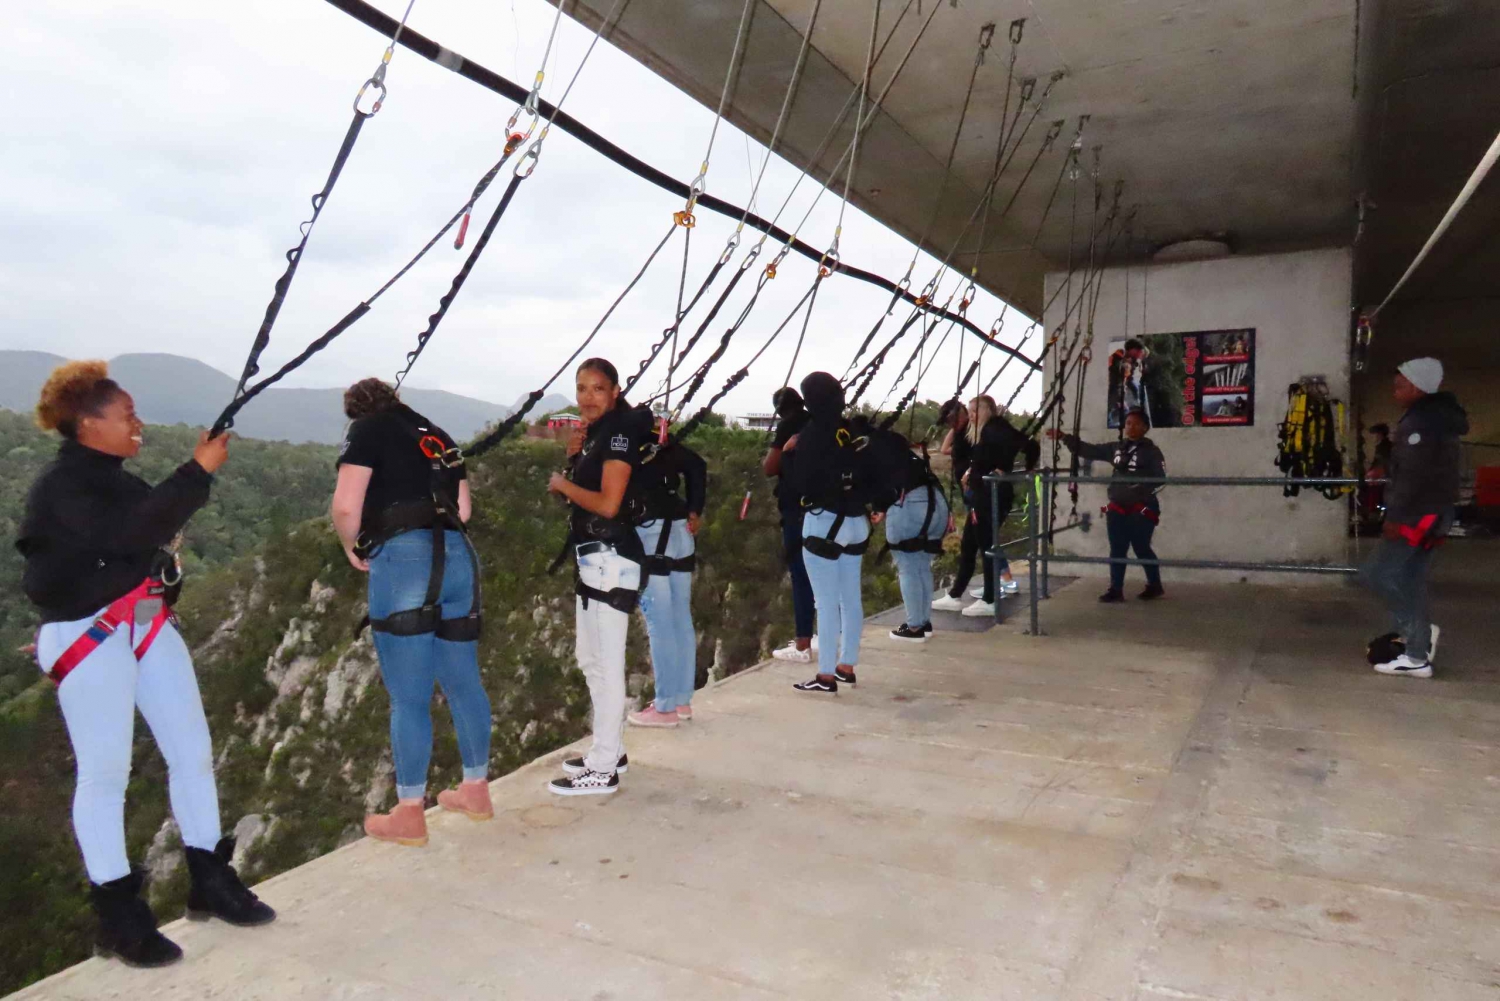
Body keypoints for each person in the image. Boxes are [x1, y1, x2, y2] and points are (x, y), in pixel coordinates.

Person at [17, 361, 275, 969]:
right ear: (88, 425)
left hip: (141, 624)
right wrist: (196, 470)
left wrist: (193, 475)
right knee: (105, 774)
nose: (138, 424)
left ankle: (210, 878)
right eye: (126, 415)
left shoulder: (112, 480)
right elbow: (130, 535)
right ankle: (119, 918)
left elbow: (148, 520)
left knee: (191, 751)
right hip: (92, 633)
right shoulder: (61, 487)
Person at [332, 378, 492, 845]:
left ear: (356, 411)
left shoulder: (366, 431)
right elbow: (462, 511)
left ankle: (408, 812)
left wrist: (352, 548)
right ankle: (476, 788)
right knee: (464, 681)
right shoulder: (437, 434)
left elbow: (346, 506)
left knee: (409, 696)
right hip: (459, 559)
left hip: (405, 563)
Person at [546, 358, 648, 792]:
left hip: (611, 558)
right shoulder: (602, 434)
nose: (588, 397)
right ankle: (609, 748)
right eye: (582, 388)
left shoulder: (619, 435)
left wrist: (563, 484)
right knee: (591, 660)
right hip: (595, 559)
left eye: (598, 389)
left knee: (606, 663)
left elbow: (608, 504)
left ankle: (603, 768)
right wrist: (576, 459)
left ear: (616, 391)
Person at [784, 372, 895, 693]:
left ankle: (825, 675)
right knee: (850, 598)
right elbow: (878, 470)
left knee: (826, 602)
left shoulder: (811, 434)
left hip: (823, 523)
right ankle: (846, 664)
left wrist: (791, 454)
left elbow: (799, 485)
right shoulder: (851, 430)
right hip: (856, 523)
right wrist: (879, 503)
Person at [1359, 358, 1468, 678]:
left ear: (1418, 387)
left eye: (1400, 386)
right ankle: (1418, 637)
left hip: (1417, 513)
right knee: (1410, 577)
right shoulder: (1438, 418)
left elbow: (1413, 477)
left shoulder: (1420, 422)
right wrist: (1388, 468)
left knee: (1376, 575)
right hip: (1436, 510)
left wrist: (1394, 516)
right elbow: (1419, 466)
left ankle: (1416, 650)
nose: (1395, 392)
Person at [626, 429, 707, 727]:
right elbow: (697, 465)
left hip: (651, 535)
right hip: (680, 531)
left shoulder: (624, 441)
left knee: (660, 625)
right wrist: (696, 508)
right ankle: (681, 700)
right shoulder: (663, 443)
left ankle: (664, 707)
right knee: (680, 619)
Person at [931, 396, 1037, 616]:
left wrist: (1009, 470)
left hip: (989, 495)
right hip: (983, 495)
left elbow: (1029, 446)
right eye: (970, 411)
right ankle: (956, 594)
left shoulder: (995, 429)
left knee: (986, 546)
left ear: (988, 410)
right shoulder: (984, 431)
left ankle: (990, 598)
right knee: (970, 544)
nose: (972, 415)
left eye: (975, 410)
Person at [1049, 408, 1167, 602]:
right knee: (1117, 549)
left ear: (1145, 428)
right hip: (1117, 507)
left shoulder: (1152, 452)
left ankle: (1155, 585)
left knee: (1141, 547)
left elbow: (1161, 478)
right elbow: (1090, 450)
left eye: (1136, 423)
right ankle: (1116, 589)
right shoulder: (1116, 448)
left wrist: (1139, 487)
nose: (1131, 427)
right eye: (1128, 423)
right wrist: (1064, 437)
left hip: (1142, 508)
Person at [764, 387, 816, 663]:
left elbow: (770, 467)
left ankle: (803, 643)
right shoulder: (816, 422)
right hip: (821, 506)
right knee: (825, 575)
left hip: (796, 507)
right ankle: (825, 635)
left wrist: (779, 451)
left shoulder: (789, 425)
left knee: (801, 574)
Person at [883, 430, 949, 642]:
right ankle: (923, 621)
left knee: (907, 567)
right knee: (921, 566)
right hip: (937, 505)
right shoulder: (916, 461)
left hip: (912, 507)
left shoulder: (889, 463)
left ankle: (914, 627)